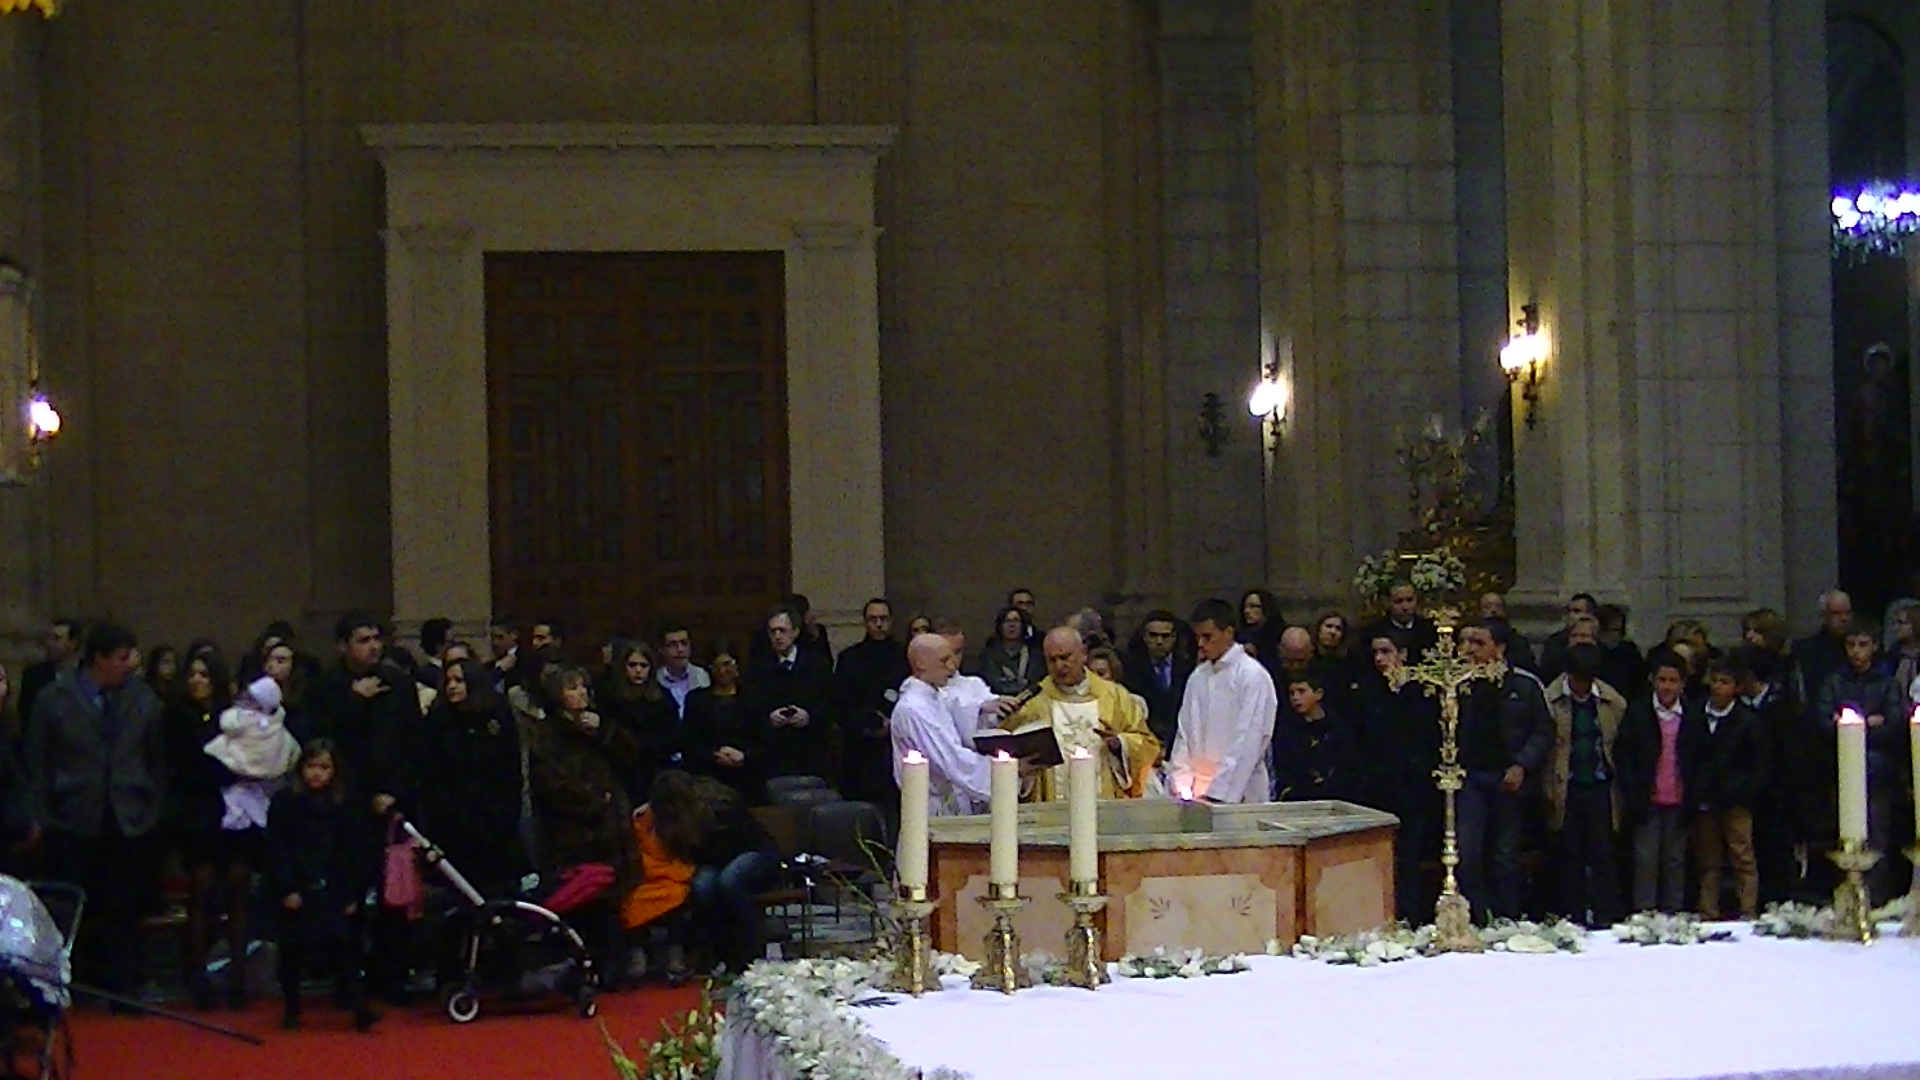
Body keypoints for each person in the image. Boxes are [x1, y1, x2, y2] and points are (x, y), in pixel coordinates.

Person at [26, 622, 166, 1007]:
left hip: (128, 818)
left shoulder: (143, 699)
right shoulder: (54, 698)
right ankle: (66, 987)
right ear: (98, 659)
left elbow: (157, 761)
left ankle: (124, 989)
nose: (130, 664)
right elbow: (38, 762)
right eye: (122, 657)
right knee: (70, 911)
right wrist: (43, 815)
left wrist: (151, 811)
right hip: (71, 817)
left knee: (124, 909)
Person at [266, 740, 379, 1032]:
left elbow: (353, 851)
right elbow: (277, 848)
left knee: (343, 947)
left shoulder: (343, 804)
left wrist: (352, 893)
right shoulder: (285, 801)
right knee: (291, 950)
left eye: (324, 767)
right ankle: (292, 1008)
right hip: (296, 884)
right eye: (311, 766)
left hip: (333, 884)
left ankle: (358, 1007)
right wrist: (287, 887)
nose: (317, 773)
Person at [1453, 619, 1551, 920]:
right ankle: (1477, 916)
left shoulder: (1524, 684)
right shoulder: (1459, 684)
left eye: (1479, 643)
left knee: (1505, 855)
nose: (1471, 649)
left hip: (1507, 778)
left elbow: (1543, 731)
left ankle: (1508, 916)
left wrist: (1522, 765)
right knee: (1467, 852)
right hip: (1470, 778)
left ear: (1500, 648)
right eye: (1469, 642)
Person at [999, 627, 1161, 801]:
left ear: (1083, 653)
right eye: (1052, 660)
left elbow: (1148, 745)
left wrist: (1119, 744)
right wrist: (1022, 768)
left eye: (1065, 657)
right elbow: (1006, 751)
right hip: (1052, 805)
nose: (1059, 666)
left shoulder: (1115, 697)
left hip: (1104, 802)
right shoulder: (1033, 702)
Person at [648, 770, 780, 975]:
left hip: (755, 852)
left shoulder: (720, 805)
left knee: (730, 881)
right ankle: (721, 951)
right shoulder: (673, 817)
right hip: (714, 860)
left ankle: (750, 952)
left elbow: (733, 844)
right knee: (702, 887)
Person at [416, 658, 530, 891]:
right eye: (448, 681)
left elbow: (510, 770)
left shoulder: (497, 717)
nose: (452, 686)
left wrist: (505, 812)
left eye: (459, 680)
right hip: (454, 825)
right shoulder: (437, 723)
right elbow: (430, 775)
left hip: (495, 823)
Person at [1812, 625, 1903, 902]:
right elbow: (1822, 722)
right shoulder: (1834, 681)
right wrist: (1868, 722)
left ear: (1874, 647)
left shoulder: (1887, 683)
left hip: (1878, 772)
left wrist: (1852, 726)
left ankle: (1876, 899)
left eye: (1862, 645)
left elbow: (1894, 725)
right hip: (1840, 771)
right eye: (1850, 645)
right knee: (1844, 838)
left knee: (1878, 836)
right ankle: (1846, 899)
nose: (1856, 651)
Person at [1542, 644, 1627, 926]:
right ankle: (1572, 916)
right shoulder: (1550, 700)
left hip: (1600, 787)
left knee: (1603, 854)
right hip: (1566, 787)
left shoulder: (1612, 702)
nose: (1582, 687)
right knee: (1570, 855)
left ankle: (1605, 916)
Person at [1169, 599, 1277, 804]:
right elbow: (1185, 734)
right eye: (1197, 637)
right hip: (1196, 789)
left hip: (1241, 789)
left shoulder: (1252, 675)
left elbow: (1248, 739)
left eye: (1207, 636)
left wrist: (1219, 793)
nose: (1200, 644)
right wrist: (1181, 782)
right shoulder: (1198, 676)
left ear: (1228, 633)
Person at [1687, 657, 1767, 919]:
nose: (1717, 687)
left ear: (1737, 687)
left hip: (1736, 800)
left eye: (1725, 682)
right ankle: (1708, 909)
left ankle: (1748, 909)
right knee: (1707, 860)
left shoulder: (1748, 720)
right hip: (1705, 799)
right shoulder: (1696, 714)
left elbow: (1758, 763)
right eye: (1714, 681)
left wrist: (1744, 792)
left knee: (1742, 856)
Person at [1614, 655, 1692, 913]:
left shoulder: (1692, 714)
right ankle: (1645, 913)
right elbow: (1625, 754)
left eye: (1673, 681)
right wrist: (1633, 791)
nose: (1667, 686)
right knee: (1646, 859)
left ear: (1683, 683)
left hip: (1680, 800)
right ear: (1652, 680)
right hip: (1646, 799)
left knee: (1675, 860)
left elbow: (1700, 756)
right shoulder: (1638, 713)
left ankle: (1674, 913)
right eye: (1662, 680)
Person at [889, 634, 996, 816]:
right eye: (944, 660)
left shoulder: (935, 697)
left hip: (951, 800)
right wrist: (1003, 772)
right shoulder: (913, 708)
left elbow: (961, 708)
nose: (952, 667)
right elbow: (949, 758)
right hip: (929, 808)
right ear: (921, 663)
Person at [741, 607, 835, 781]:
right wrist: (769, 718)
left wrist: (809, 716)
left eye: (782, 630)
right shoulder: (757, 668)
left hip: (810, 752)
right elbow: (749, 707)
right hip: (772, 754)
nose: (777, 636)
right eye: (773, 631)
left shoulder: (817, 665)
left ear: (795, 632)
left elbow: (830, 703)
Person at [833, 599, 910, 806]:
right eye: (872, 619)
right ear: (865, 622)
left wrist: (892, 722)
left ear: (891, 621)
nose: (878, 624)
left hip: (896, 745)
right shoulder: (849, 658)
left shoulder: (905, 656)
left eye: (883, 619)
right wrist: (863, 724)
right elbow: (840, 701)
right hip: (859, 749)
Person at [1272, 673, 1360, 803]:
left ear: (1318, 694)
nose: (1296, 698)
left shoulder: (1338, 728)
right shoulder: (1287, 730)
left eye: (1302, 691)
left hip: (1336, 796)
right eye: (1292, 693)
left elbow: (1349, 765)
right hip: (1299, 798)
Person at [1122, 610, 1194, 753]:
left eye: (1165, 636)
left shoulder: (1188, 668)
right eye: (1153, 635)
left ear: (1174, 637)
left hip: (1180, 740)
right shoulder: (1130, 669)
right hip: (1144, 740)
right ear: (1144, 637)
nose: (1159, 641)